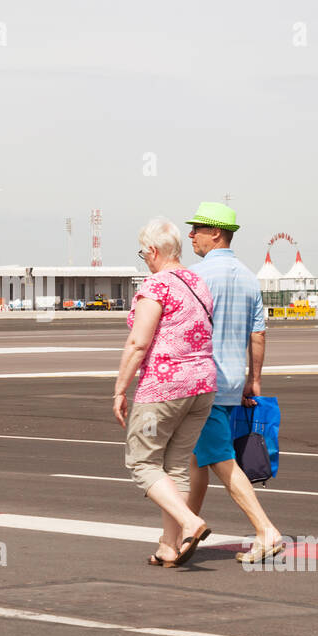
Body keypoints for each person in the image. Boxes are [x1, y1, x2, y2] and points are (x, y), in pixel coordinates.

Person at [182, 202, 284, 564]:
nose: (190, 235)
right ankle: (185, 530)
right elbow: (258, 334)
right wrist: (253, 380)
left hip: (203, 384)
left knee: (222, 460)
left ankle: (266, 529)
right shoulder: (248, 277)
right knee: (199, 460)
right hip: (230, 383)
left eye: (196, 229)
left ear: (216, 233)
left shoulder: (197, 278)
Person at [114, 218, 217, 567]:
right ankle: (169, 546)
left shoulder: (155, 286)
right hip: (202, 386)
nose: (144, 258)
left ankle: (190, 522)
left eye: (143, 253)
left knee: (142, 462)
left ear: (154, 251)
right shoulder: (198, 283)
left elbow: (138, 342)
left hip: (164, 388)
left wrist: (119, 390)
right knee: (176, 467)